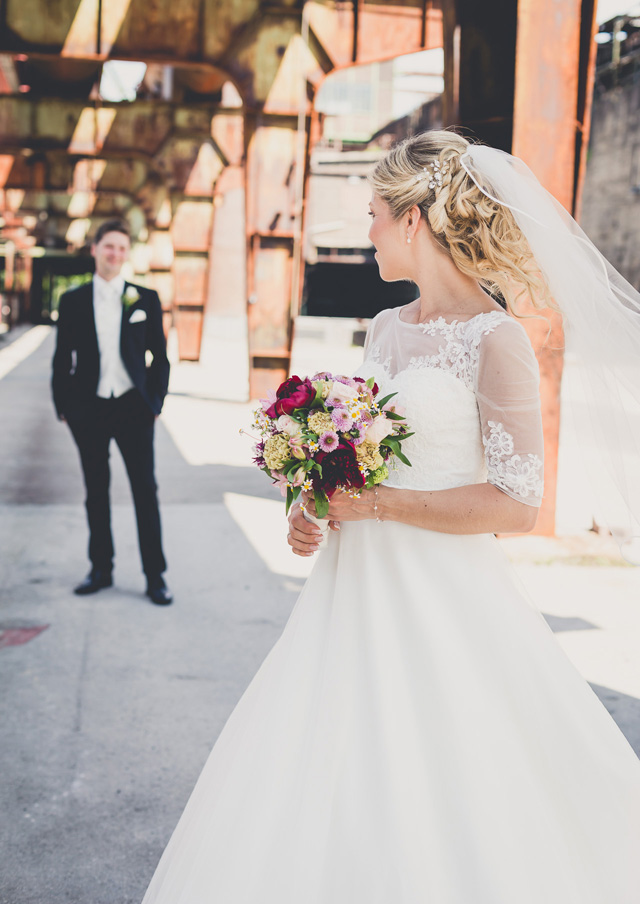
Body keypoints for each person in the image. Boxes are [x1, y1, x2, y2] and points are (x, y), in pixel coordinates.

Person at [140, 131, 640, 902]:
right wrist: (313, 507)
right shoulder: (383, 327)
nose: (365, 229)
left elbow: (517, 501)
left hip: (444, 596)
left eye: (373, 212)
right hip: (350, 588)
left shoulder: (495, 338)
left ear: (415, 221)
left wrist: (377, 503)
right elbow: (363, 458)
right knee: (330, 761)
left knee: (444, 771)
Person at [52, 219, 172, 606]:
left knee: (144, 491)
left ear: (126, 254)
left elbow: (160, 358)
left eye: (122, 248)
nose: (115, 254)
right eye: (109, 247)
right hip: (88, 408)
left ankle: (155, 577)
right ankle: (100, 569)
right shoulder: (72, 300)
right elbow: (62, 358)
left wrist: (155, 402)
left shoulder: (145, 298)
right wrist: (64, 406)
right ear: (95, 249)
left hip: (134, 408)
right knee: (95, 490)